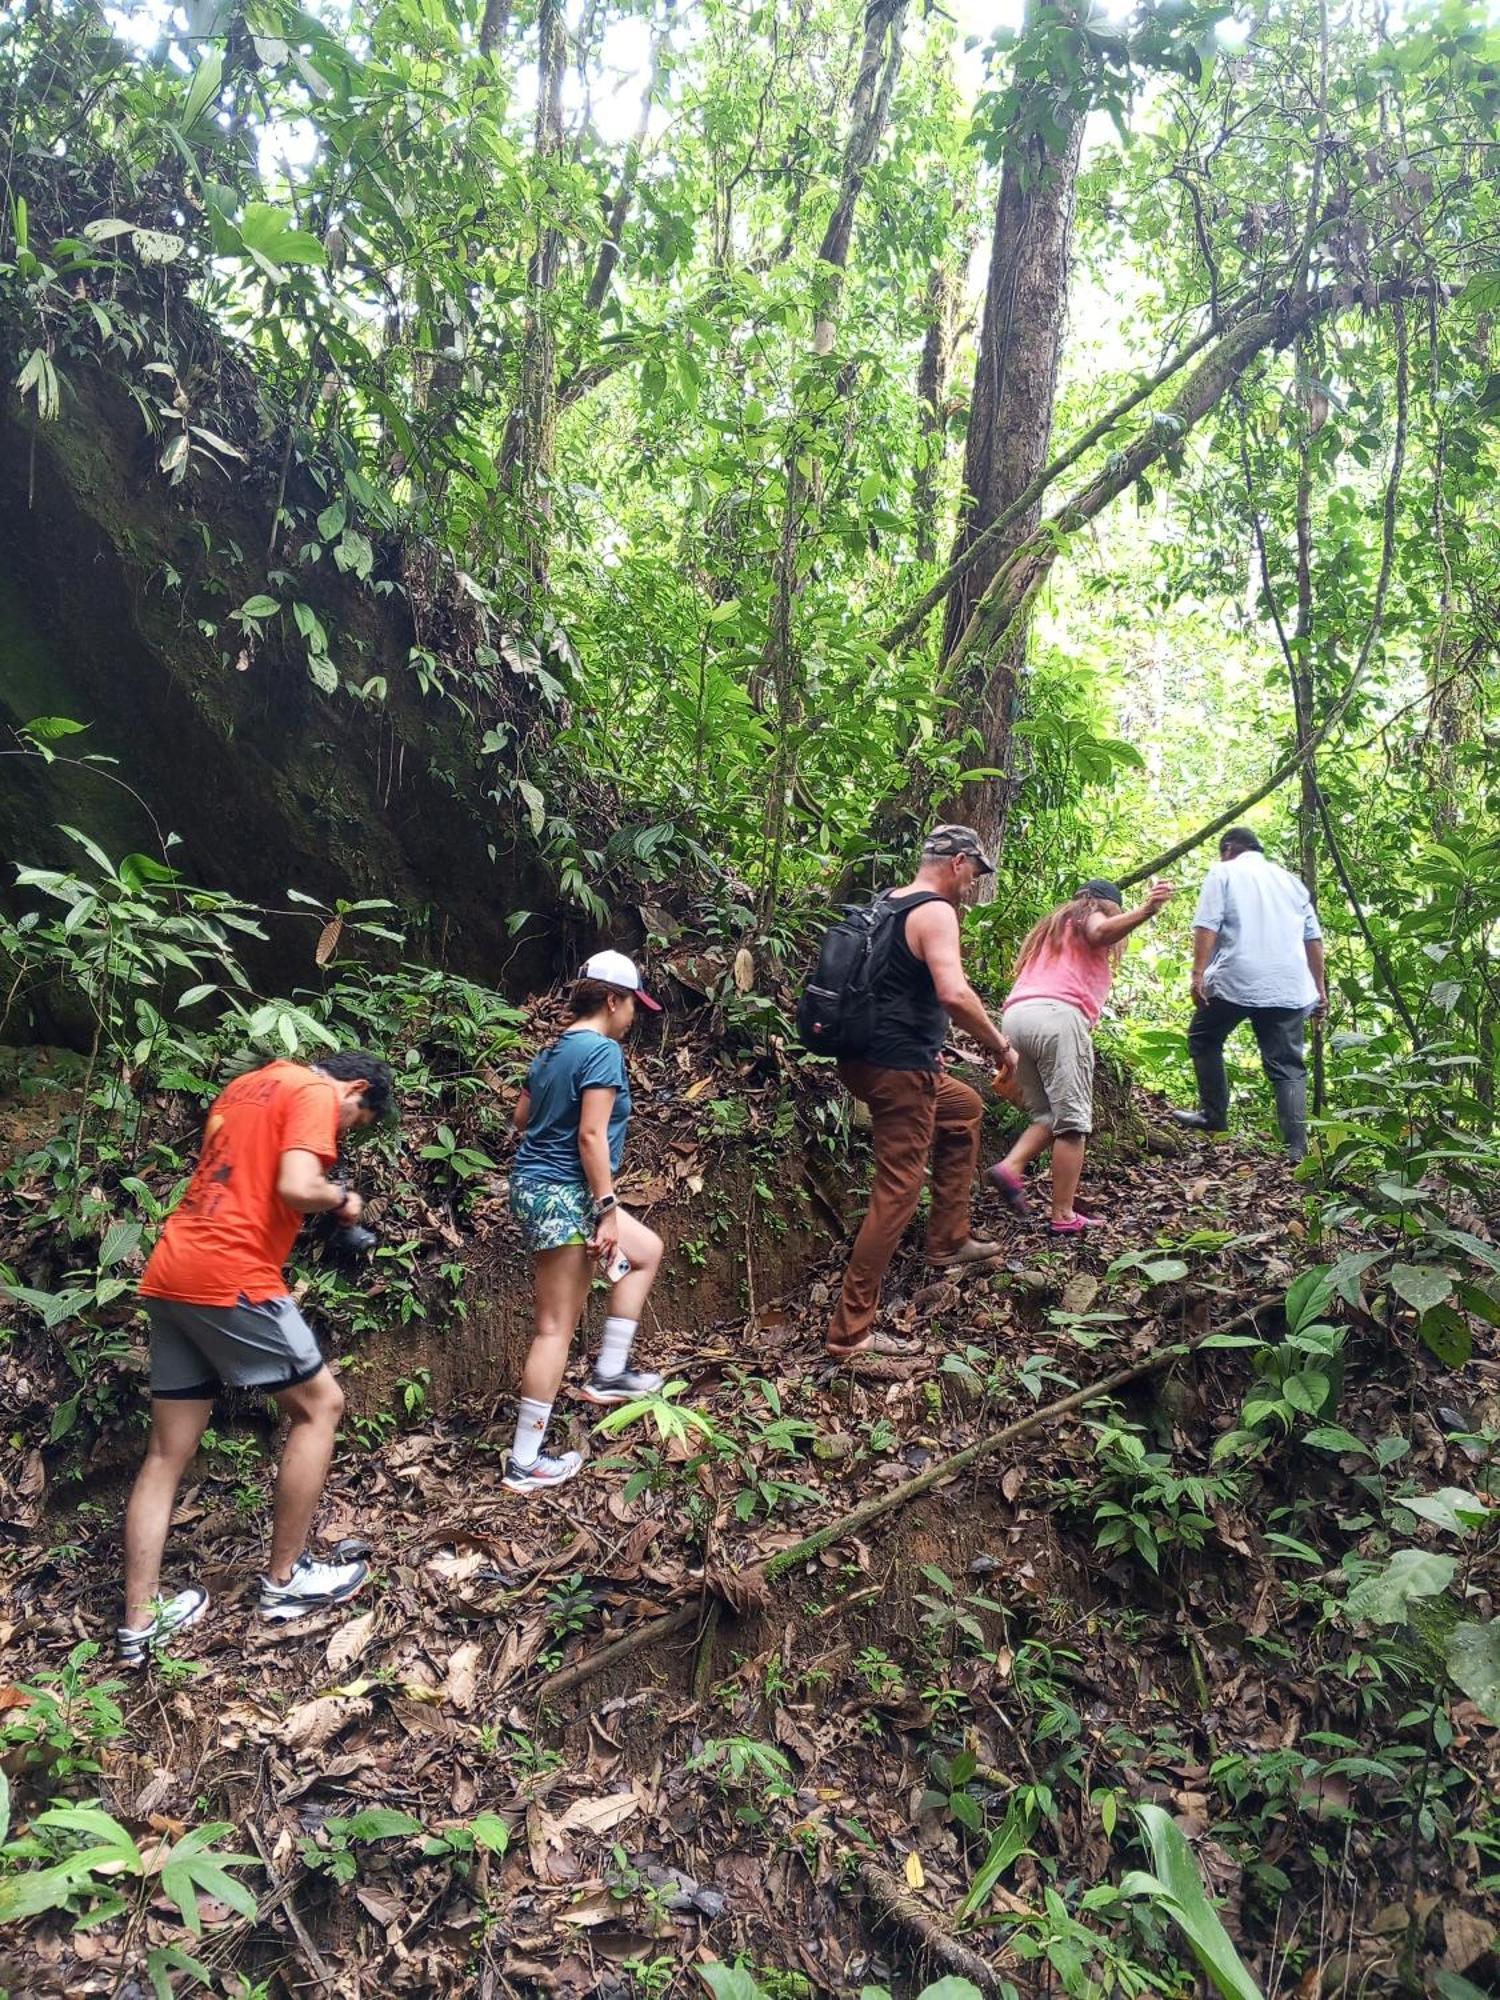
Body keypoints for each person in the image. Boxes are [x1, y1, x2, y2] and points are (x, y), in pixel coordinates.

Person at [120, 1050, 395, 1667]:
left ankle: (140, 1621)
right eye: (355, 1122)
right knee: (321, 1406)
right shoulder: (316, 1094)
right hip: (231, 1272)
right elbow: (296, 1185)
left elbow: (238, 1174)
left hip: (172, 1269)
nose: (342, 1132)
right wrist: (341, 1196)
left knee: (167, 1453)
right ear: (355, 1089)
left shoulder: (247, 1085)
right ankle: (286, 1580)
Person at [826, 824, 1021, 1361]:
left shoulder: (885, 904)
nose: (974, 884)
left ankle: (948, 1238)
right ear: (958, 862)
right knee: (898, 1193)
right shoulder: (936, 910)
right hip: (900, 1070)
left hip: (863, 1061)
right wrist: (1001, 1048)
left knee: (963, 1108)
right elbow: (953, 992)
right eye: (975, 873)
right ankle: (850, 1333)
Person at [504, 950, 666, 1494]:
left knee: (646, 1252)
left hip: (541, 1186)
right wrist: (606, 1209)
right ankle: (525, 1460)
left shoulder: (551, 1051)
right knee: (555, 1328)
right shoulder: (601, 1051)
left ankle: (611, 1371)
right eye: (632, 1007)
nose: (633, 1018)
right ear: (613, 1000)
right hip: (564, 1193)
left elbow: (522, 1118)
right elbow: (591, 1136)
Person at [989, 877, 1174, 1234]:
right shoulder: (1089, 915)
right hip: (1058, 1017)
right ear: (1108, 905)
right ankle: (1063, 1215)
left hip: (1016, 1019)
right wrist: (1147, 910)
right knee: (1073, 1124)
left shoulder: (1054, 930)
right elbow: (1102, 931)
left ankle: (1010, 1168)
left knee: (1047, 1115)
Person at [1170, 827, 1327, 1160]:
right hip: (1287, 984)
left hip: (1237, 978)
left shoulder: (1223, 871)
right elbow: (1313, 938)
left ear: (1228, 849)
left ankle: (1213, 1115)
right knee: (1287, 1065)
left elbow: (1207, 923)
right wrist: (1319, 989)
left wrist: (1198, 974)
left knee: (1204, 1037)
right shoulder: (1290, 881)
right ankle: (1297, 1148)